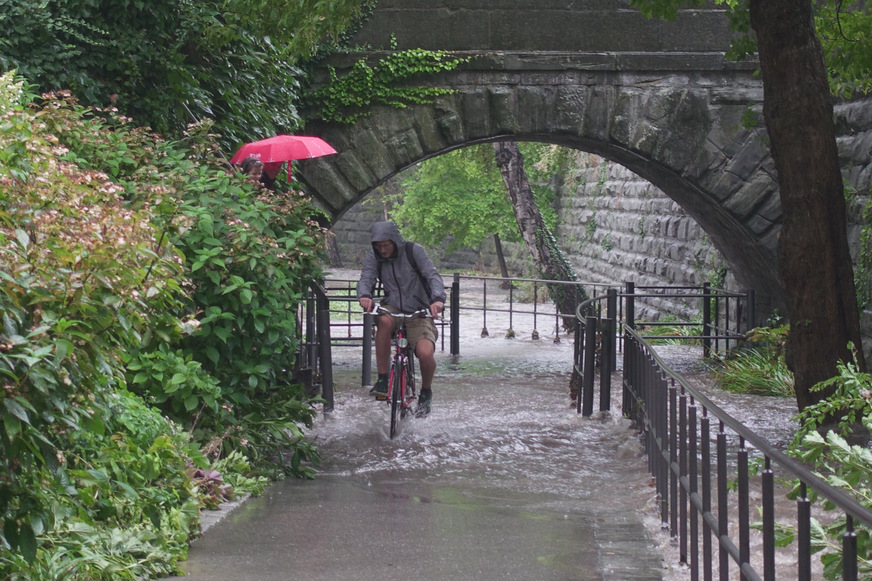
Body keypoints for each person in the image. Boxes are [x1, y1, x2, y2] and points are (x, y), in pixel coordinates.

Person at [357, 221, 445, 417]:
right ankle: (382, 378)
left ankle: (426, 392)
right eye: (378, 246)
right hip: (393, 306)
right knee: (384, 321)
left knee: (424, 353)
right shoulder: (375, 256)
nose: (383, 249)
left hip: (419, 309)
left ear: (395, 241)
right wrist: (365, 295)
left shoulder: (414, 251)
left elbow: (432, 276)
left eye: (386, 245)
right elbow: (367, 277)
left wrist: (437, 300)